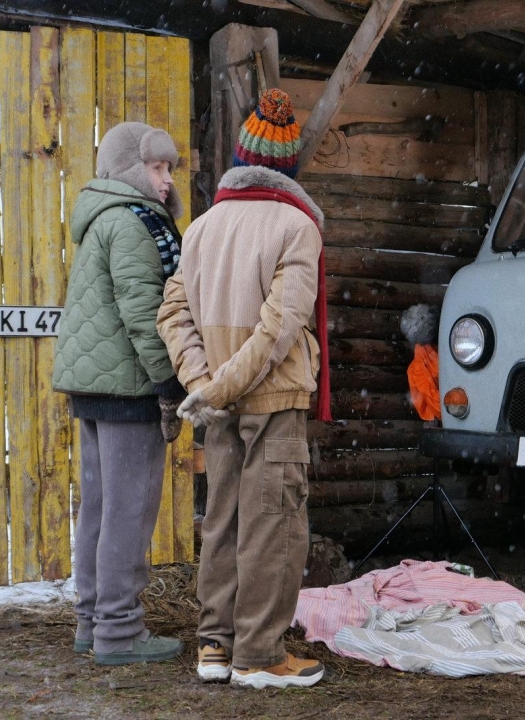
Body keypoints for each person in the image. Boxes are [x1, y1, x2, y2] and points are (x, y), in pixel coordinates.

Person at [157, 87, 331, 689]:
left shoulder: (202, 228)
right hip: (272, 397)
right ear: (288, 166)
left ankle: (216, 646)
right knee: (272, 524)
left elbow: (173, 313)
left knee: (223, 520)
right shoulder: (298, 226)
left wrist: (203, 384)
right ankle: (259, 655)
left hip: (219, 402)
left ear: (240, 158)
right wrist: (218, 388)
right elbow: (280, 330)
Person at [52, 121, 188, 666]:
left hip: (95, 385)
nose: (166, 179)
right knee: (128, 512)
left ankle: (92, 622)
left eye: (169, 168)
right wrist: (169, 382)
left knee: (101, 508)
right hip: (128, 387)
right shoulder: (133, 223)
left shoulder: (101, 217)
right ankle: (120, 632)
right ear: (130, 169)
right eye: (156, 167)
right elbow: (144, 313)